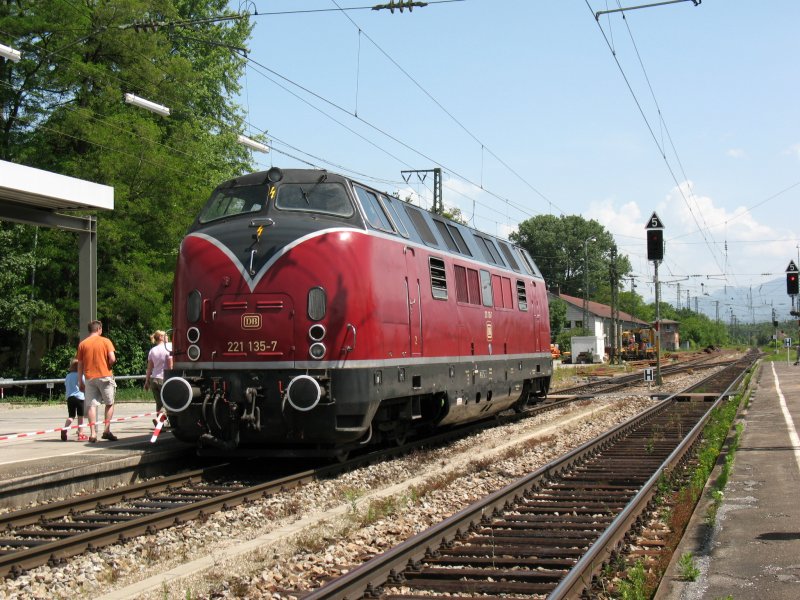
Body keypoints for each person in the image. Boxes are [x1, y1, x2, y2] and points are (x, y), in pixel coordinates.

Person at [76, 320, 117, 443]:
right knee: (109, 403)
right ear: (99, 329)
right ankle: (106, 430)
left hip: (89, 378)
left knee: (91, 405)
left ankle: (93, 433)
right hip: (105, 376)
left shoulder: (83, 344)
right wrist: (109, 364)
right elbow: (112, 358)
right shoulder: (106, 341)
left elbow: (80, 364)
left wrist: (80, 381)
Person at [144, 330, 173, 425]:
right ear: (161, 337)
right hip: (164, 378)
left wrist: (147, 381)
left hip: (154, 379)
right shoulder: (168, 347)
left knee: (159, 403)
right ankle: (160, 419)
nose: (167, 337)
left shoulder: (152, 351)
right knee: (168, 401)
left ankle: (160, 425)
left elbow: (149, 368)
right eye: (165, 335)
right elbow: (170, 365)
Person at [63, 358, 87, 441]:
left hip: (70, 398)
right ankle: (81, 433)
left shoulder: (68, 376)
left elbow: (66, 384)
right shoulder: (80, 375)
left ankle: (65, 429)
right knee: (80, 416)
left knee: (71, 416)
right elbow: (84, 385)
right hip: (79, 397)